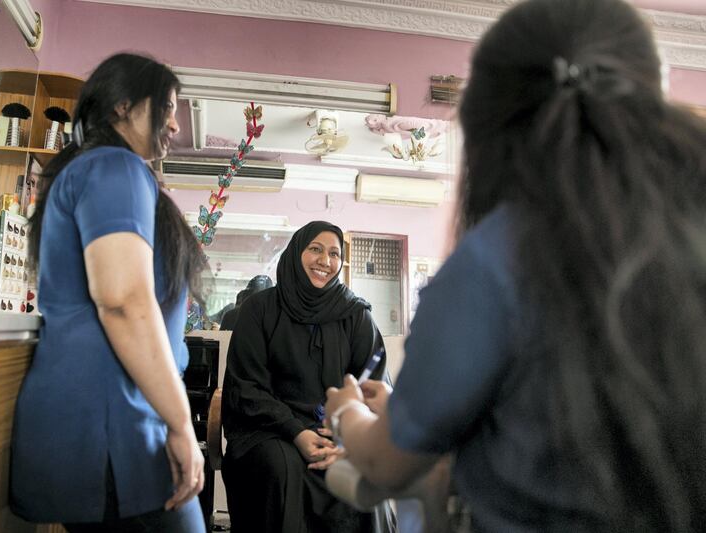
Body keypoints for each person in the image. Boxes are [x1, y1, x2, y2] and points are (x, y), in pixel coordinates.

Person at [324, 0, 706, 531]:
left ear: (486, 124)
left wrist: (347, 414)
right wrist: (401, 404)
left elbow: (387, 462)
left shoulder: (492, 263)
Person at [10, 53, 207, 532]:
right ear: (123, 106)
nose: (176, 126)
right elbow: (122, 300)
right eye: (168, 107)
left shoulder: (90, 169)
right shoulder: (114, 167)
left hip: (111, 417)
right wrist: (182, 423)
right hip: (113, 421)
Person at [221, 221, 389, 533]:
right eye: (315, 249)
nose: (325, 260)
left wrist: (350, 440)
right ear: (297, 251)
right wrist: (297, 432)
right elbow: (247, 387)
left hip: (337, 431)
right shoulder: (259, 309)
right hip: (269, 429)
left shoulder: (356, 315)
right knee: (281, 467)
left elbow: (373, 387)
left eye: (334, 253)